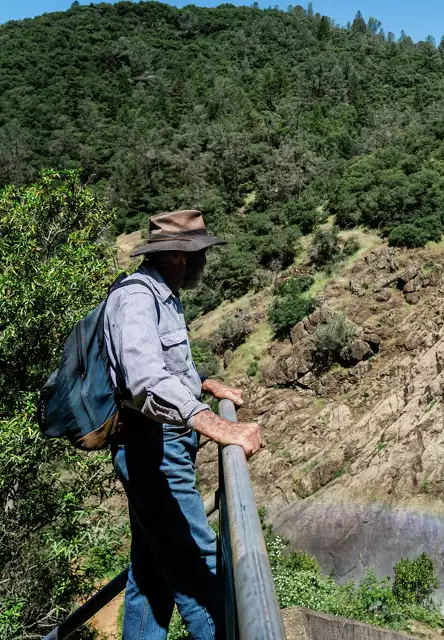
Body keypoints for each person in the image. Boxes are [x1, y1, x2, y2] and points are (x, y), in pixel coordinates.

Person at [104, 209, 264, 640]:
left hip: (160, 445)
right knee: (198, 566)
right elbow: (143, 379)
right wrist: (214, 422)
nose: (205, 263)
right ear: (180, 256)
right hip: (152, 450)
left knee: (151, 572)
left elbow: (166, 364)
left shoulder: (163, 294)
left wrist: (205, 383)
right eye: (200, 254)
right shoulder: (137, 297)